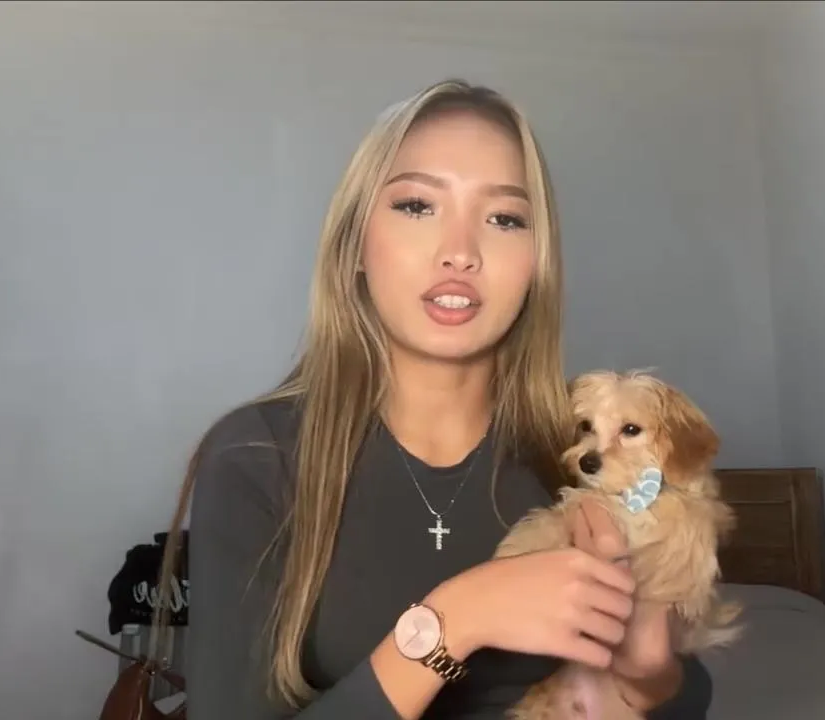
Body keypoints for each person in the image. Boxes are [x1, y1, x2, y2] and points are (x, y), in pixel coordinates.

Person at [159, 79, 715, 719]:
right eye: (418, 206)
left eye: (504, 219)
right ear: (355, 244)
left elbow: (675, 692)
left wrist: (648, 676)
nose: (459, 253)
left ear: (537, 264)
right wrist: (453, 621)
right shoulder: (258, 456)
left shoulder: (577, 459)